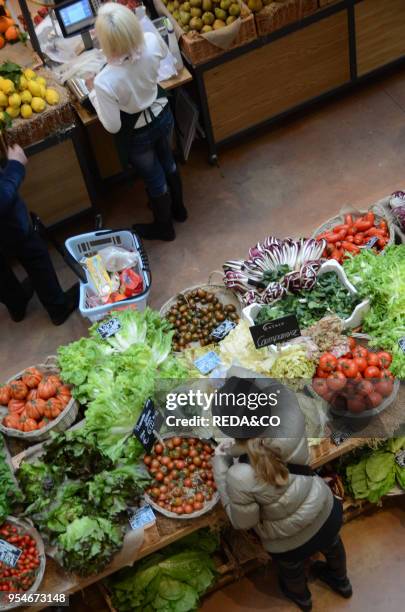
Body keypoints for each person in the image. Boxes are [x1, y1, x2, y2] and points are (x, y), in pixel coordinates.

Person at [213, 385, 352, 611]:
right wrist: (235, 376)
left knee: (292, 570)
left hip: (287, 543)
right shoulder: (290, 418)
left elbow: (243, 523)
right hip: (326, 512)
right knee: (333, 544)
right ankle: (342, 582)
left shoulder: (238, 476)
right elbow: (275, 387)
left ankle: (302, 599)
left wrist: (220, 464)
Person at [88, 3, 187, 242]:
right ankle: (179, 210)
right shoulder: (151, 41)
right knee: (168, 161)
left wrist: (93, 93)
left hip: (138, 133)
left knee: (154, 178)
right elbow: (163, 55)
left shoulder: (104, 81)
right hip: (162, 114)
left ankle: (164, 228)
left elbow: (113, 126)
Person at [0, 144, 78, 325]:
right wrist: (15, 165)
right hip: (10, 225)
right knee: (33, 254)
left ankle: (16, 303)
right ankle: (58, 307)